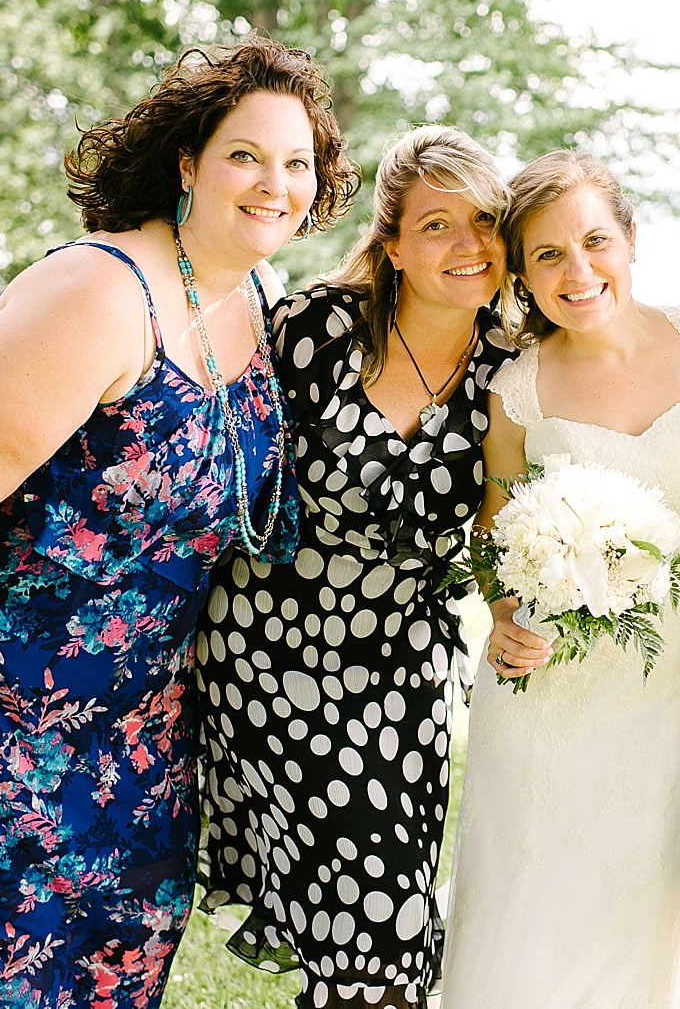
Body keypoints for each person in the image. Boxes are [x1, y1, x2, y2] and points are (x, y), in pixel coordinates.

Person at [0, 36, 359, 1009]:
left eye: (296, 162)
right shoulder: (103, 294)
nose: (274, 183)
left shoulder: (259, 298)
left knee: (112, 964)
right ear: (189, 163)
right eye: (246, 154)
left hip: (135, 721)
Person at [194, 125, 519, 1009]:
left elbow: (499, 520)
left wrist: (512, 605)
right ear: (393, 245)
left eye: (486, 221)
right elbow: (215, 463)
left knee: (386, 924)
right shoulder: (314, 332)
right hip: (277, 656)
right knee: (377, 936)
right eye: (438, 226)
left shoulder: (513, 363)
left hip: (409, 666)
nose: (468, 246)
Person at [440, 151, 680, 1007]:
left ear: (632, 239)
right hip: (553, 693)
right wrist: (504, 615)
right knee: (538, 898)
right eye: (547, 255)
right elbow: (492, 533)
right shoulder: (517, 390)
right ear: (522, 274)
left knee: (653, 900)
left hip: (678, 678)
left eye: (594, 241)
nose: (577, 271)